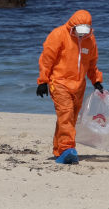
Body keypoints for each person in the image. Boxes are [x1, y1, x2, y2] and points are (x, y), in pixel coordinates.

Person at [37, 9, 105, 164]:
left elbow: (92, 64)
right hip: (59, 82)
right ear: (72, 25)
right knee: (66, 114)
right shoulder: (58, 35)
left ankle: (59, 150)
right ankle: (68, 149)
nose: (82, 33)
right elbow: (46, 59)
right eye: (79, 30)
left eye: (85, 30)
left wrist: (96, 81)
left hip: (79, 85)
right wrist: (43, 81)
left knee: (69, 118)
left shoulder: (90, 39)